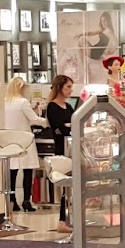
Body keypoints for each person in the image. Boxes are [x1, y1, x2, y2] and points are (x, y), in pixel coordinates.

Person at [0, 76, 43, 212]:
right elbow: (34, 119)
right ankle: (26, 201)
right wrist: (46, 121)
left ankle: (12, 201)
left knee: (12, 171)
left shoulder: (4, 102)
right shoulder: (23, 102)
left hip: (9, 140)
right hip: (25, 139)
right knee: (28, 170)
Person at [42, 76, 78, 229]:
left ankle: (67, 219)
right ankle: (63, 221)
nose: (71, 90)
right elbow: (60, 129)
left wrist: (68, 126)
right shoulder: (52, 107)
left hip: (73, 148)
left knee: (73, 185)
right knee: (66, 186)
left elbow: (75, 124)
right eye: (68, 87)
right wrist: (67, 126)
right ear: (59, 88)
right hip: (62, 150)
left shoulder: (68, 107)